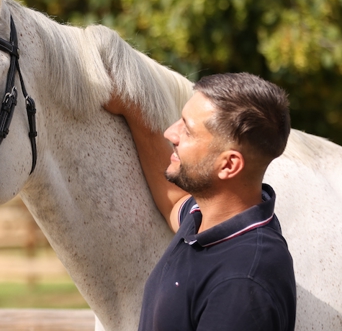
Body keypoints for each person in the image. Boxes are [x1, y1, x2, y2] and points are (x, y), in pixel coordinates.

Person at [105, 72, 296, 331]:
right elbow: (174, 204)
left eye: (188, 129)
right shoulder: (204, 218)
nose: (170, 133)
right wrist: (133, 109)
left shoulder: (242, 285)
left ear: (228, 164)